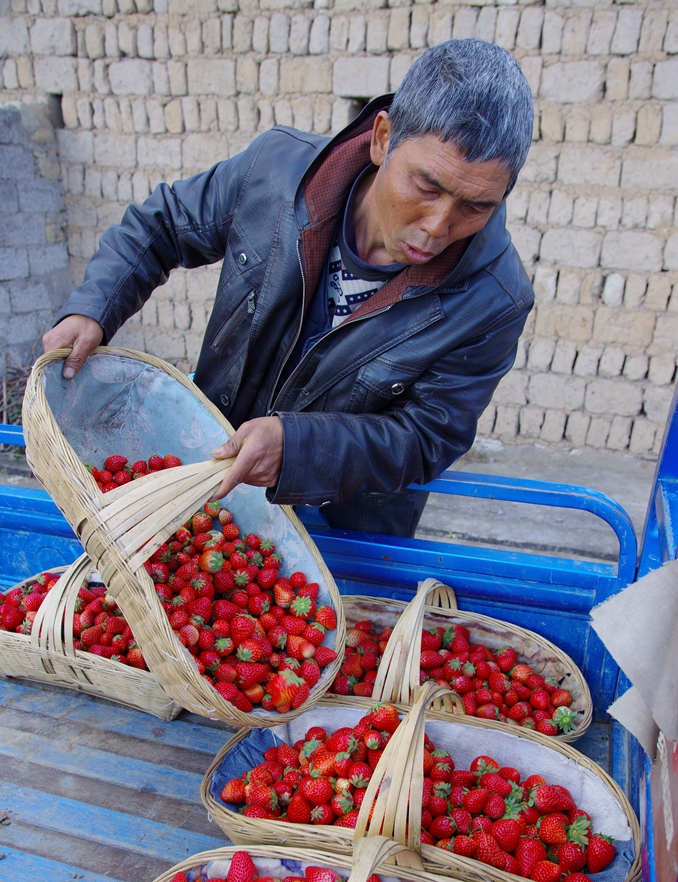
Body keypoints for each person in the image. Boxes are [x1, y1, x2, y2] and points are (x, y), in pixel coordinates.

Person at [43, 39, 535, 537]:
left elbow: (427, 436)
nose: (436, 226)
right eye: (427, 187)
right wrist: (93, 307)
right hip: (214, 480)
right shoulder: (275, 175)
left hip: (345, 530)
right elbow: (165, 224)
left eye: (475, 207)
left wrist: (299, 449)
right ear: (383, 138)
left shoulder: (494, 298)